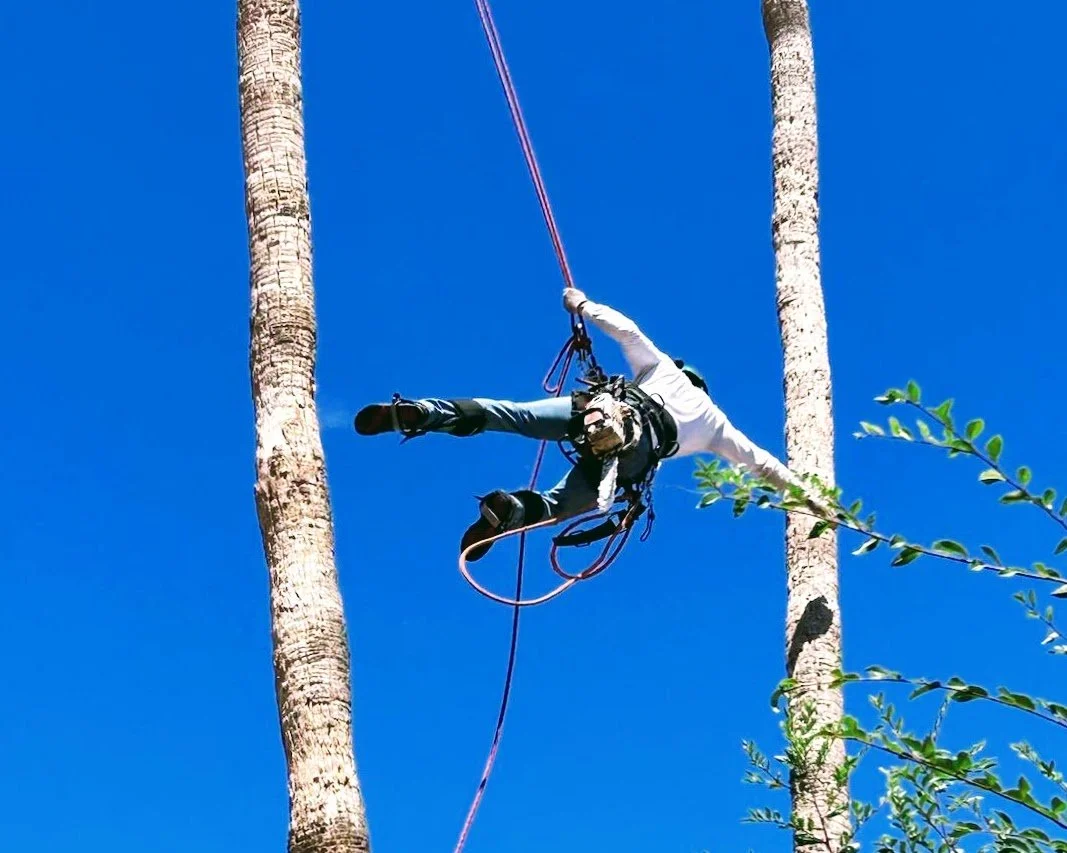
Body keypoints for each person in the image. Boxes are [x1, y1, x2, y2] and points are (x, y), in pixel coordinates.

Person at [354, 288, 799, 561]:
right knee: (561, 507)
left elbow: (628, 332)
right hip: (631, 456)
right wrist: (812, 500)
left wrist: (584, 305)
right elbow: (765, 466)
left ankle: (420, 413)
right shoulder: (717, 426)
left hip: (598, 411)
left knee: (510, 414)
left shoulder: (663, 370)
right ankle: (509, 511)